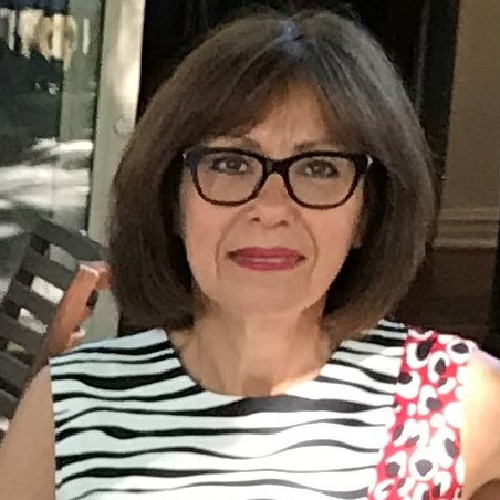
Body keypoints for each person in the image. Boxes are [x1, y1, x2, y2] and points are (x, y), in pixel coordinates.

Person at [0, 8, 499, 500]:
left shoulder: (458, 401)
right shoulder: (68, 406)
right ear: (171, 200)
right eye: (230, 163)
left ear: (367, 213)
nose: (271, 208)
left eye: (319, 168)